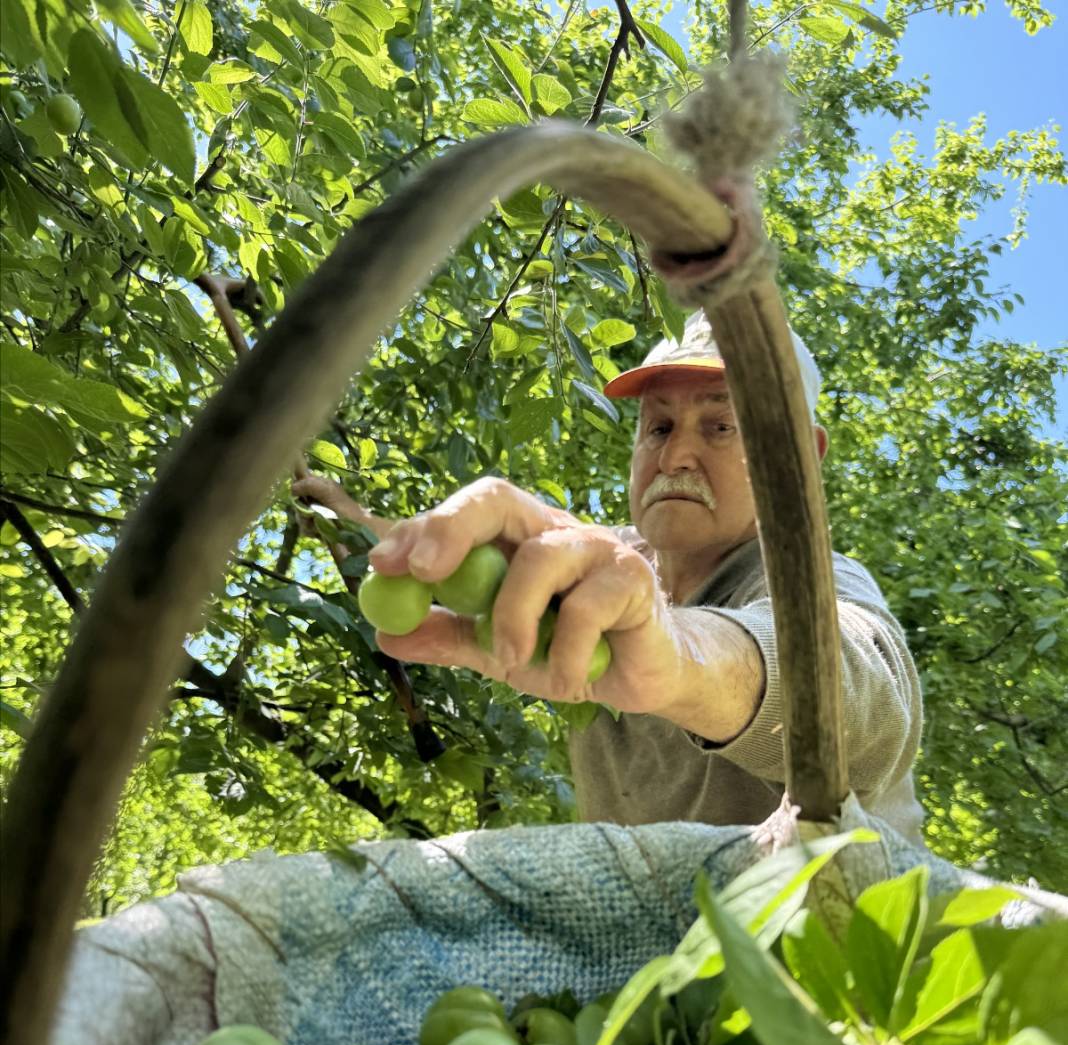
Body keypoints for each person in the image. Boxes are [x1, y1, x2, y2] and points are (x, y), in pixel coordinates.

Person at [295, 311, 924, 842]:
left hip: (826, 977)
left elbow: (861, 693)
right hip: (650, 973)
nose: (676, 454)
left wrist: (677, 654)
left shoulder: (815, 585)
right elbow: (430, 553)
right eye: (659, 427)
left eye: (721, 425)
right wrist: (348, 518)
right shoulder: (595, 572)